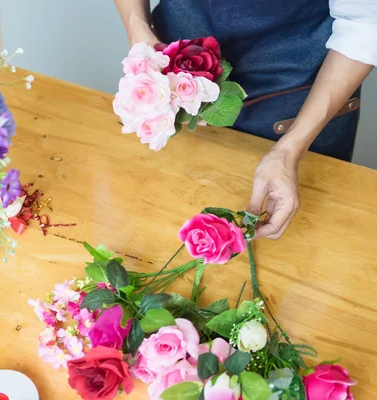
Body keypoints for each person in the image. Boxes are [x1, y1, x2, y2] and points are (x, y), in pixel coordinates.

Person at [115, 0, 376, 239]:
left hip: (298, 105)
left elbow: (364, 24)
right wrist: (138, 30)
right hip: (177, 85)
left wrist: (289, 150)